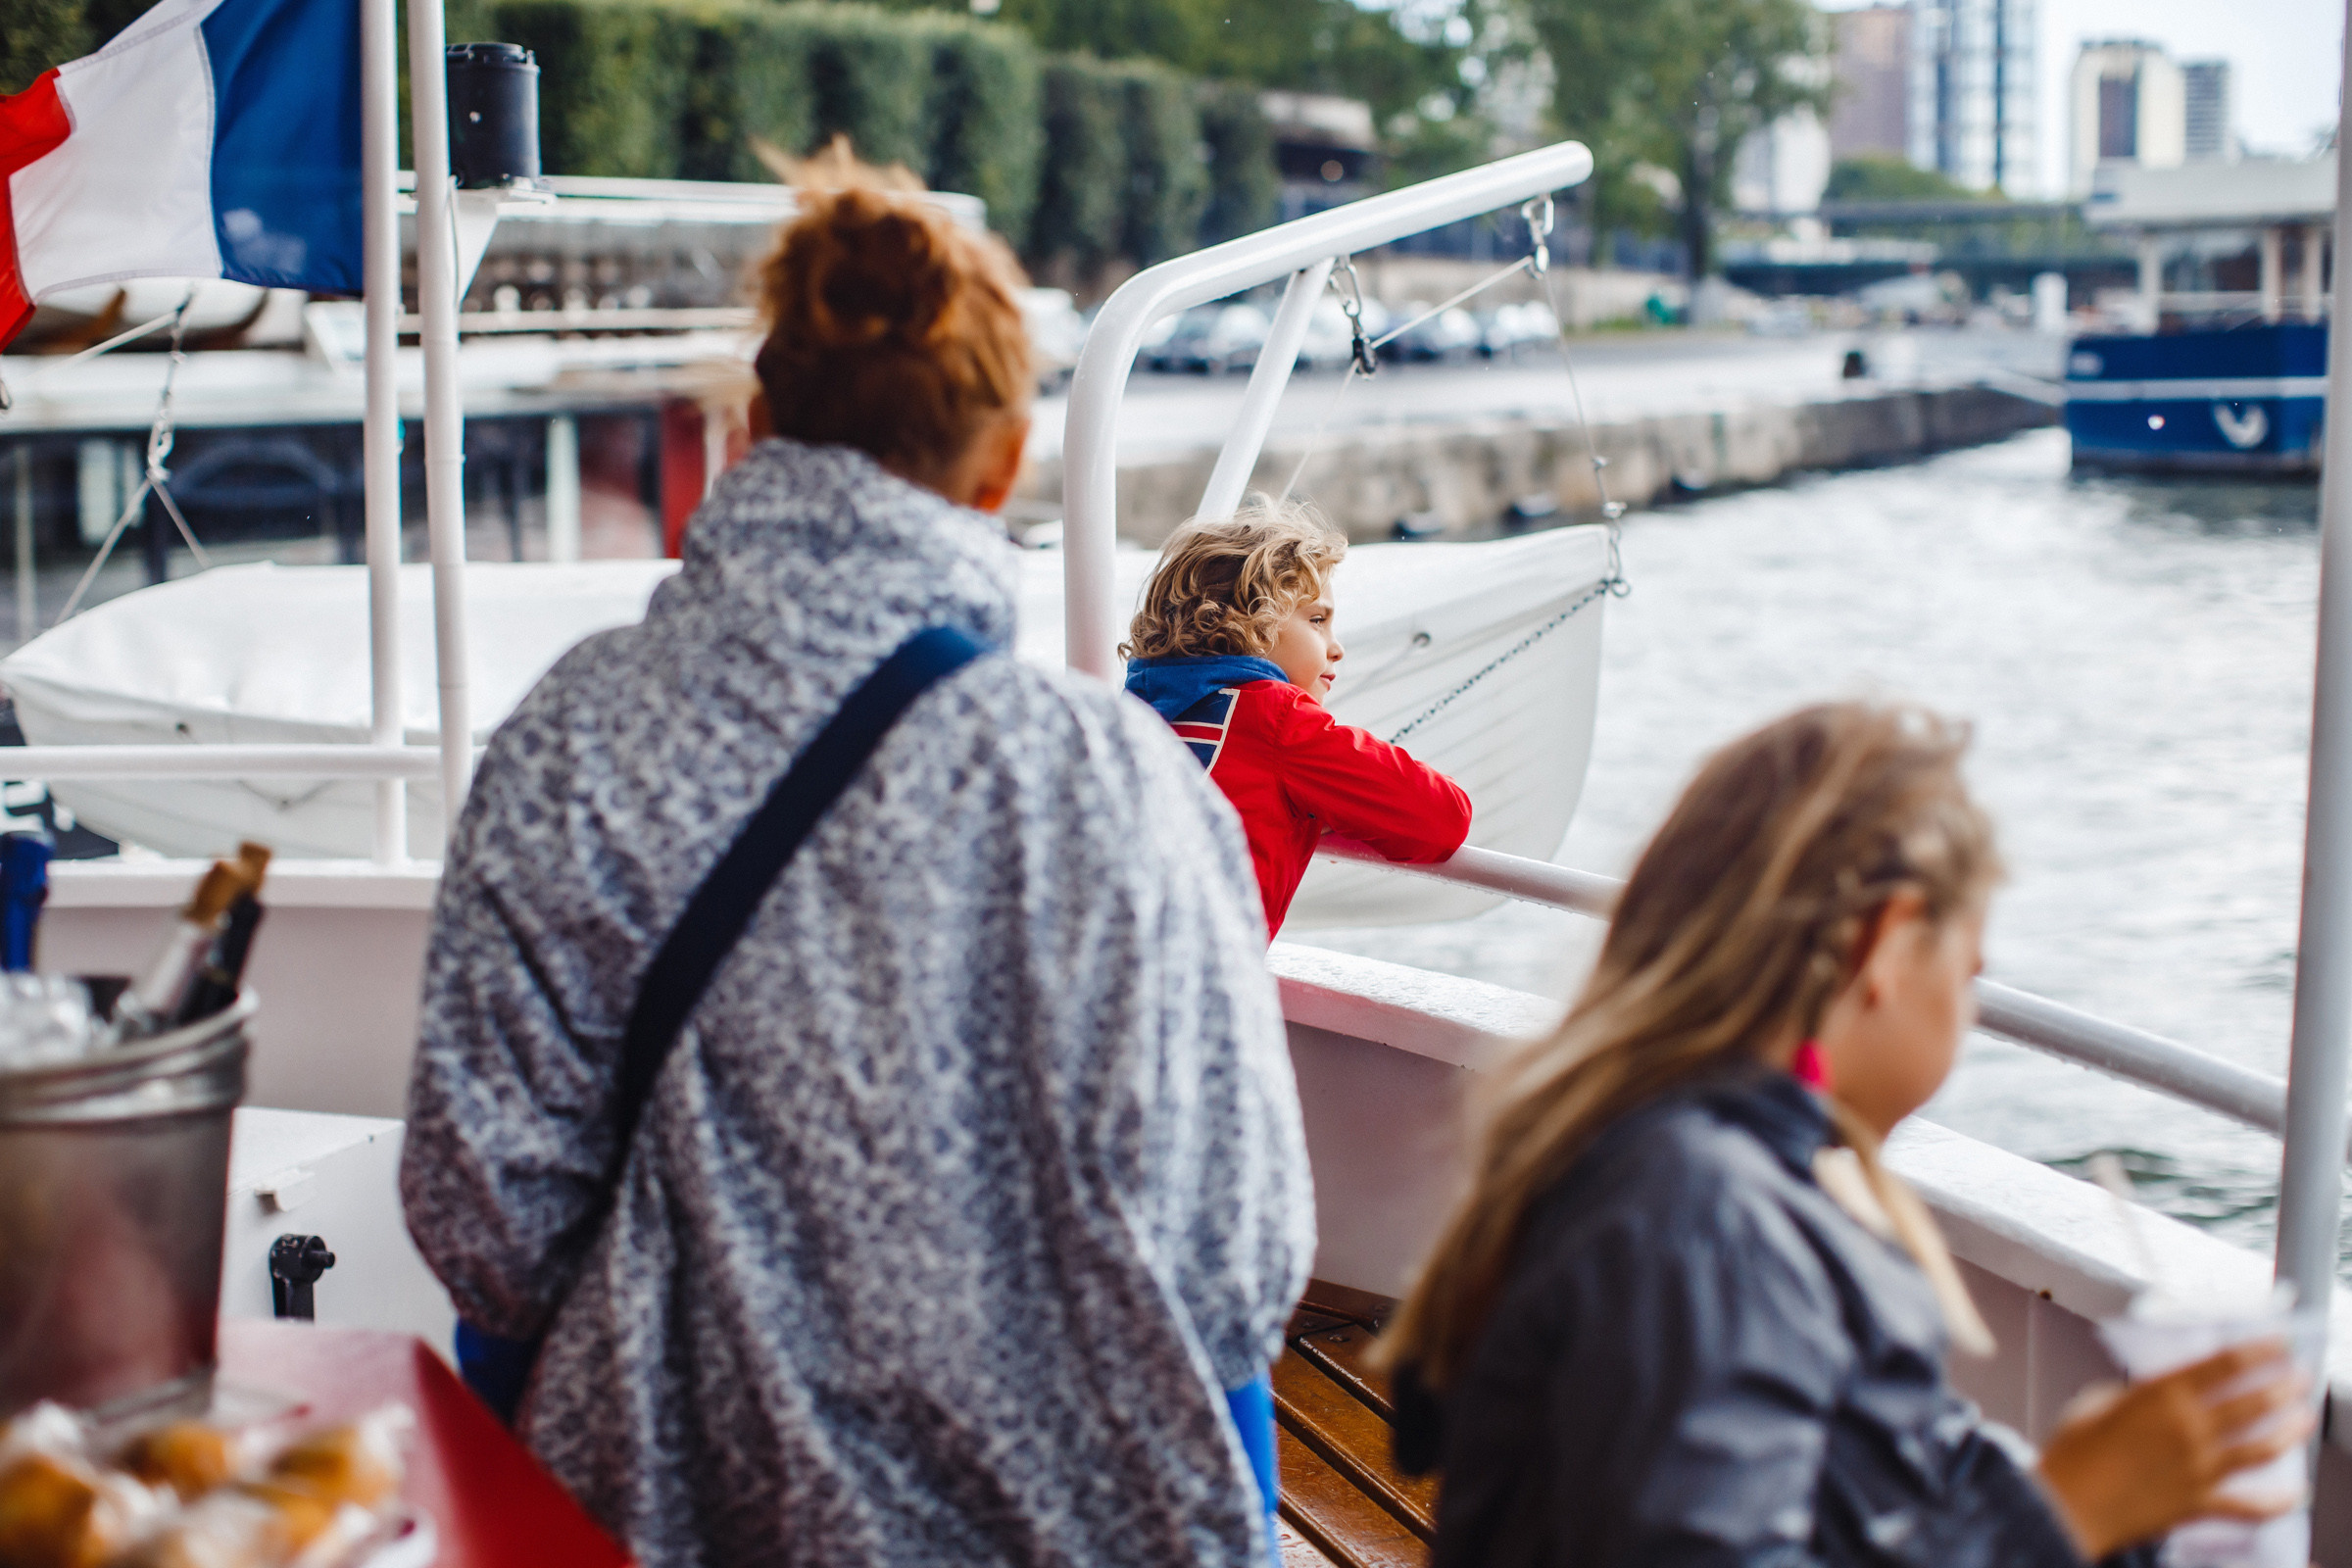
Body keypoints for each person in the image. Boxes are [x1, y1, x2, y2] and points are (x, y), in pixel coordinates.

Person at [399, 152, 1312, 1568]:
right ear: (1002, 463)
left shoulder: (570, 738)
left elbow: (492, 1227)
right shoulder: (1119, 781)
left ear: (754, 429)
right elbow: (1231, 1263)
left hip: (656, 1516)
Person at [1378, 702, 2313, 1567]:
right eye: (1968, 969)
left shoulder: (1682, 1173)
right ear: (1886, 945)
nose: (1966, 1010)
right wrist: (2067, 1514)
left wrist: (2124, 1507)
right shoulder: (1704, 1220)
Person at [1121, 503, 1473, 936]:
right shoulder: (1277, 719)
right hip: (1191, 992)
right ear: (1252, 623)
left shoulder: (1129, 716)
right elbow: (1441, 820)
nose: (1336, 647)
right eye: (1317, 620)